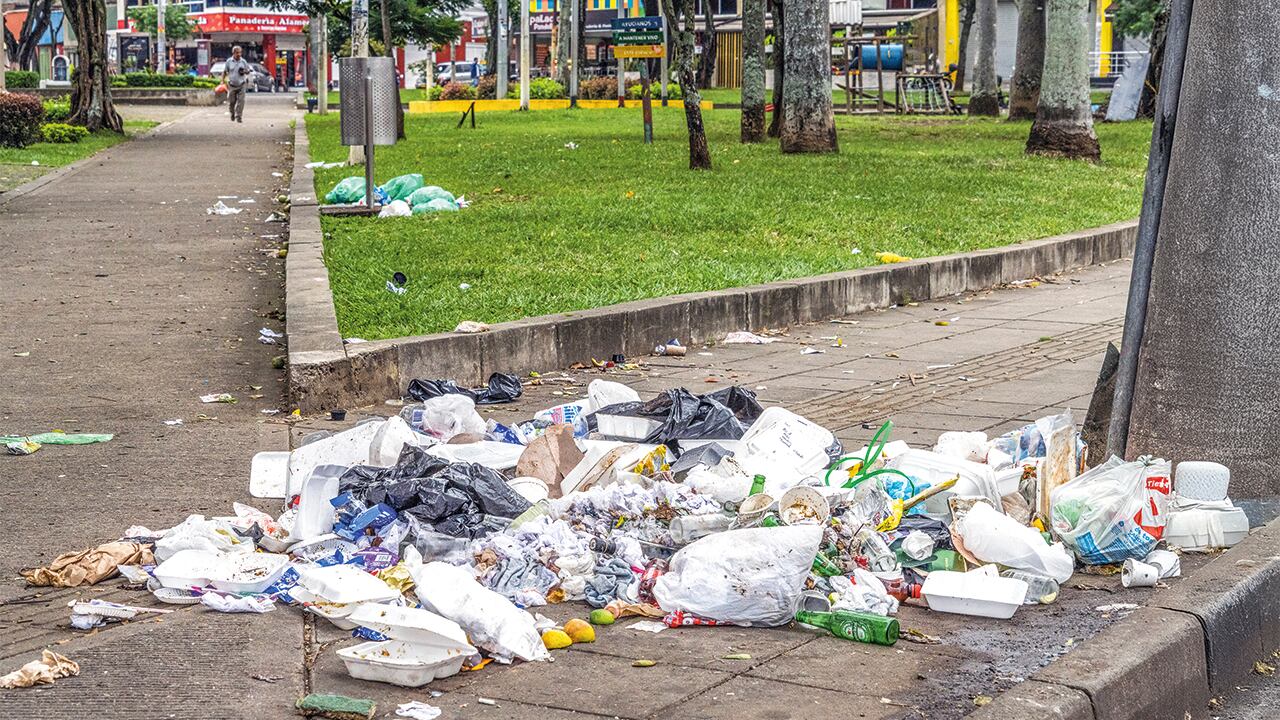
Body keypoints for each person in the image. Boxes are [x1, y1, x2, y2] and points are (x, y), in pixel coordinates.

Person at [222, 46, 252, 123]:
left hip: (242, 84)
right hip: (231, 85)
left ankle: (239, 116)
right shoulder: (229, 61)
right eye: (237, 53)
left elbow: (248, 70)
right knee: (232, 102)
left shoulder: (243, 61)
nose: (239, 54)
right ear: (233, 53)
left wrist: (245, 71)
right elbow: (225, 71)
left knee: (241, 101)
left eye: (240, 52)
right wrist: (222, 81)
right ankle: (232, 113)